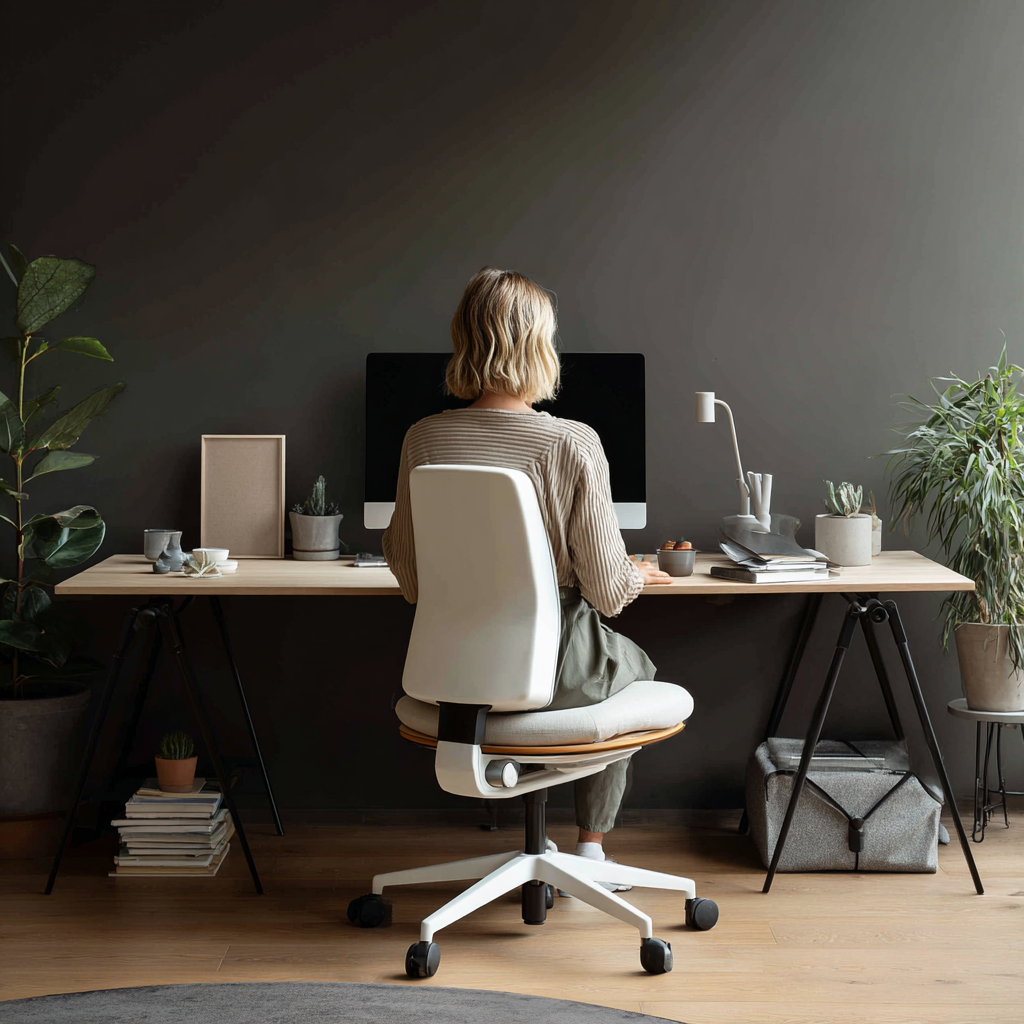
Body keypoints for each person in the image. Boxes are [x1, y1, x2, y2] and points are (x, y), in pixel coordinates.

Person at [383, 266, 670, 886]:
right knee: (633, 664)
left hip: (451, 674)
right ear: (539, 345)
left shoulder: (422, 439)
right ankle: (590, 850)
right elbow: (608, 593)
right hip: (554, 667)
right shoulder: (572, 442)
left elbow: (408, 575)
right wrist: (638, 572)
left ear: (466, 339)